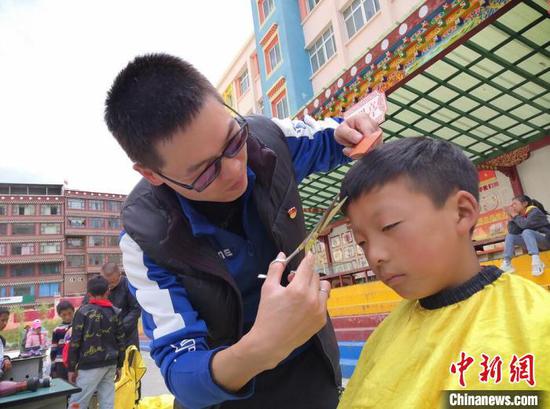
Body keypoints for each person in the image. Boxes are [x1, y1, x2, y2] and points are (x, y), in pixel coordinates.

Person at [104, 53, 380, 409]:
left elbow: (331, 137)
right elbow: (180, 369)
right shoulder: (146, 238)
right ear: (152, 175)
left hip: (315, 374)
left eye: (234, 142)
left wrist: (353, 129)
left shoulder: (266, 139)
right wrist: (264, 347)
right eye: (205, 173)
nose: (236, 170)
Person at [337, 137, 550, 408]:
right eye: (362, 242)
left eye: (389, 226)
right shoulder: (384, 334)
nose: (375, 255)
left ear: (461, 212)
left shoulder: (537, 323)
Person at [68, 276, 125, 409]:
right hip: (110, 363)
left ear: (88, 294)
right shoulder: (115, 312)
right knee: (107, 402)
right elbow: (121, 340)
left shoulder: (82, 312)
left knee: (78, 402)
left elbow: (75, 342)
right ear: (108, 292)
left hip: (89, 365)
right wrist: (119, 365)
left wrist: (71, 368)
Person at [83, 262, 141, 348]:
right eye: (107, 283)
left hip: (127, 336)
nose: (109, 287)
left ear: (119, 275)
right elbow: (85, 307)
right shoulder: (96, 285)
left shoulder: (129, 285)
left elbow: (136, 310)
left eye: (113, 282)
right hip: (103, 337)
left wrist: (119, 327)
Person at [500, 194, 550, 276]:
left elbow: (525, 225)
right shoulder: (519, 216)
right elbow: (513, 231)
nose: (512, 206)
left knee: (527, 231)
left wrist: (514, 215)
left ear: (524, 204)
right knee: (510, 236)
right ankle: (507, 263)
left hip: (546, 241)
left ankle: (536, 262)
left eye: (514, 204)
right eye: (511, 204)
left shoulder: (535, 211)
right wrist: (510, 217)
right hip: (536, 245)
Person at [50, 300, 74, 379]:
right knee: (63, 385)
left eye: (70, 313)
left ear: (73, 311)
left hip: (74, 362)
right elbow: (54, 348)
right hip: (60, 362)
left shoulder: (79, 327)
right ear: (60, 315)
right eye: (64, 315)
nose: (67, 317)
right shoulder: (57, 330)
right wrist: (53, 365)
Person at [0, 308, 12, 377]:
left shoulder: (2, 340)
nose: (5, 323)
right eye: (2, 320)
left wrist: (6, 359)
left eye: (6, 320)